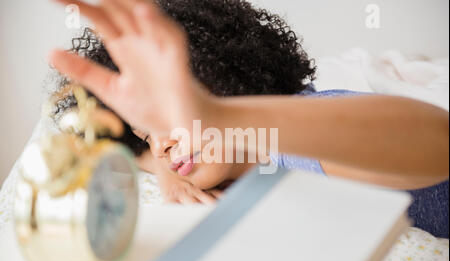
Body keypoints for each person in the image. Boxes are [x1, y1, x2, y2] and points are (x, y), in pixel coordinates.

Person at [50, 0, 449, 237]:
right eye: (145, 136)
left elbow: (440, 144)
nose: (161, 145)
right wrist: (166, 169)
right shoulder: (219, 156)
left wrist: (216, 118)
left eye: (167, 122)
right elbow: (122, 149)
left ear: (225, 79)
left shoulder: (299, 140)